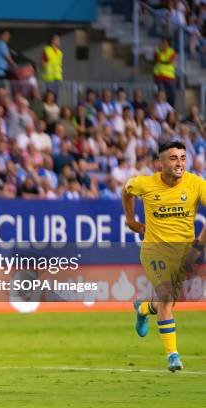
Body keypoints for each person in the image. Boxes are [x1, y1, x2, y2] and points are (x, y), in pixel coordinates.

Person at [123, 141, 206, 372]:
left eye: (182, 157)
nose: (179, 163)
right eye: (173, 158)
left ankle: (142, 309)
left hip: (184, 253)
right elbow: (126, 191)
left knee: (166, 302)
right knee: (167, 297)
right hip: (154, 249)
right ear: (161, 162)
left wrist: (198, 247)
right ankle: (173, 356)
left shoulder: (196, 184)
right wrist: (131, 220)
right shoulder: (145, 184)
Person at [153, 36, 176, 106]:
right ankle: (161, 108)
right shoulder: (157, 51)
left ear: (168, 43)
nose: (163, 44)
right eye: (162, 42)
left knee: (172, 93)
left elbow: (170, 61)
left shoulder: (171, 51)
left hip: (169, 76)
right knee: (161, 94)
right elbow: (157, 59)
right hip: (159, 76)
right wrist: (162, 55)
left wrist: (162, 60)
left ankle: (171, 108)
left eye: (165, 42)